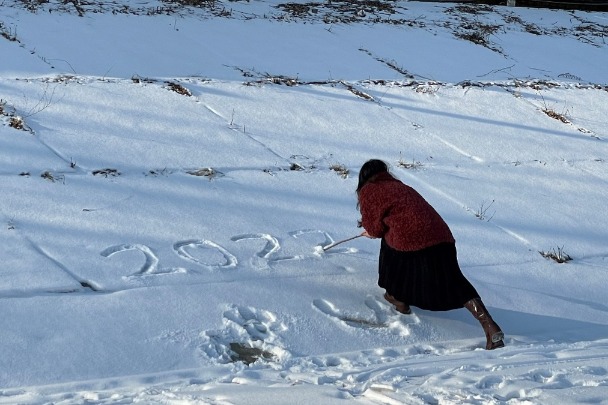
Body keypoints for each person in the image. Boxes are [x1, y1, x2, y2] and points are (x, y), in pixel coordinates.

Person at [356, 159, 504, 350]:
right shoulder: (399, 186)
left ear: (364, 178)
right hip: (442, 236)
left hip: (412, 238)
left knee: (391, 252)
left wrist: (370, 230)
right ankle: (490, 327)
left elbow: (376, 230)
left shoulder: (369, 190)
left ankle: (397, 298)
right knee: (455, 282)